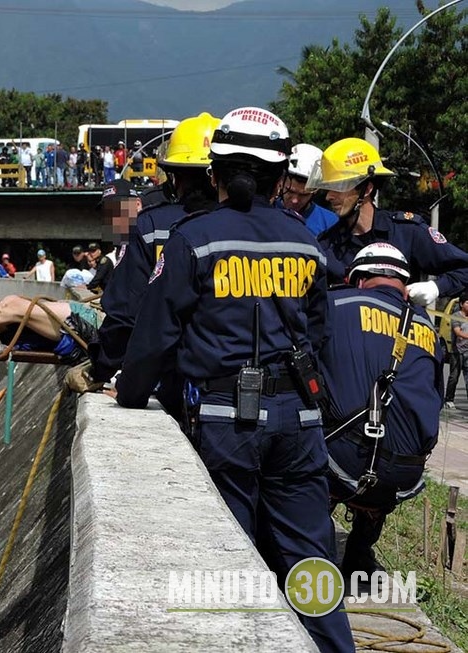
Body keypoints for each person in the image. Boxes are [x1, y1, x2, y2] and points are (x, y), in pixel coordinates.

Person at [115, 107, 353, 652]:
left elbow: (153, 338)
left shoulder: (193, 238)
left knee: (230, 566)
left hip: (227, 422)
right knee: (311, 566)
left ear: (215, 172)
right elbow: (319, 334)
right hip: (299, 422)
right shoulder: (304, 242)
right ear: (279, 176)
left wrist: (128, 395)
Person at [320, 242, 443, 580]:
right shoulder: (430, 331)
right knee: (395, 434)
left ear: (358, 279)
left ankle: (312, 548)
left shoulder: (335, 303)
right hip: (404, 474)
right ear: (405, 287)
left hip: (341, 460)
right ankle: (360, 551)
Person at [89, 112, 221, 388]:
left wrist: (103, 370)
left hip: (167, 380)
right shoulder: (255, 230)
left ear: (173, 176)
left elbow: (125, 314)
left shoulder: (150, 227)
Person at [308, 137, 468, 303]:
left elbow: (464, 268)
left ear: (367, 188)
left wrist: (436, 288)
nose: (329, 196)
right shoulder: (326, 246)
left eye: (338, 187)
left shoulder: (406, 232)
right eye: (328, 188)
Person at [277, 143, 338, 236]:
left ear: (316, 190)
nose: (295, 200)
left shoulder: (330, 223)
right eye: (290, 191)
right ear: (281, 181)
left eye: (303, 195)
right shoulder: (265, 210)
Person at [445, 294, 468, 408]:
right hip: (457, 352)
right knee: (454, 376)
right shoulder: (456, 316)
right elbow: (458, 332)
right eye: (467, 303)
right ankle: (449, 399)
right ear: (461, 304)